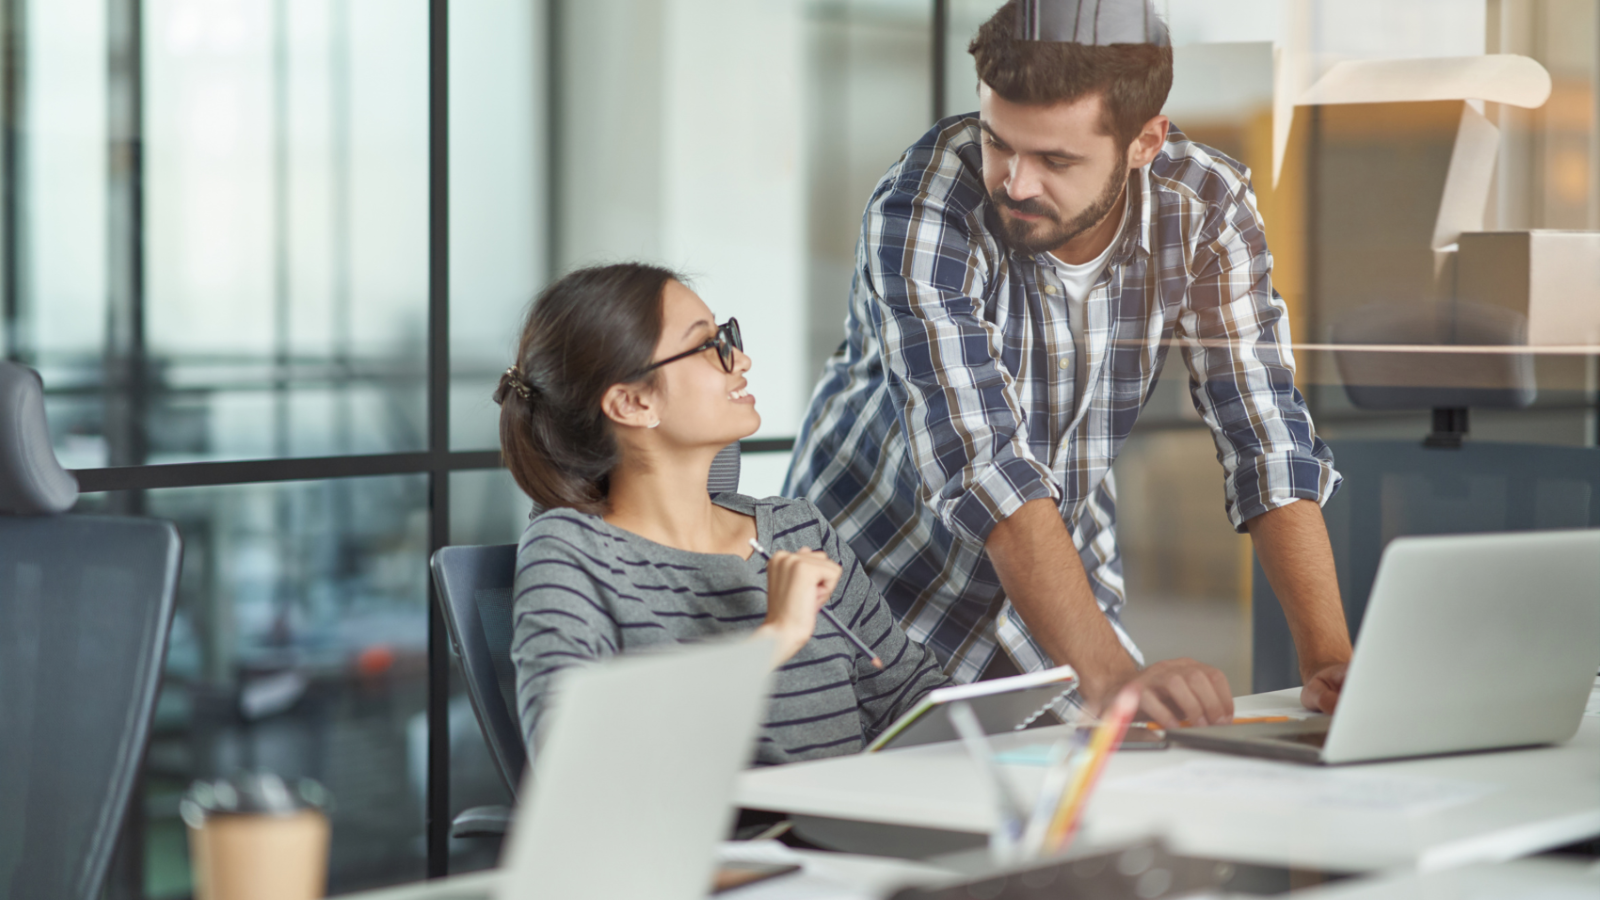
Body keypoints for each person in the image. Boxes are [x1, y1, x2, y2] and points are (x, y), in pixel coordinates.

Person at [785, 0, 1351, 729]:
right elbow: (987, 465)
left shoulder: (1205, 207)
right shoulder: (923, 209)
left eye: (1055, 159)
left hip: (1052, 614)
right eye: (998, 142)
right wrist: (1113, 677)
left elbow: (1266, 438)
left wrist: (1330, 664)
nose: (1016, 183)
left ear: (1146, 141)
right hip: (866, 596)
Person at [497, 262, 949, 765]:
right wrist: (772, 641)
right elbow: (569, 755)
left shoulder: (798, 529)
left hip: (857, 834)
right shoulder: (570, 551)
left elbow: (911, 699)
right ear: (631, 404)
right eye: (708, 346)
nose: (741, 360)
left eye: (726, 335)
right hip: (726, 842)